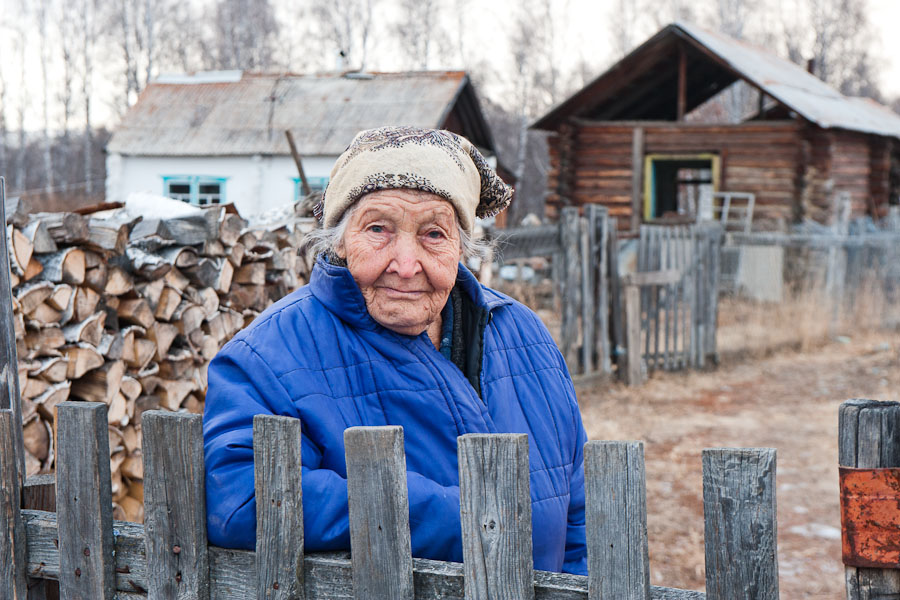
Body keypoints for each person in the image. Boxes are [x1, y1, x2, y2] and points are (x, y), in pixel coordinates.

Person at [203, 126, 588, 575]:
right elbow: (239, 498)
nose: (405, 266)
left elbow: (578, 518)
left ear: (462, 249)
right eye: (378, 229)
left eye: (433, 234)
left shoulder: (524, 336)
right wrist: (459, 516)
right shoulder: (267, 354)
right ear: (340, 240)